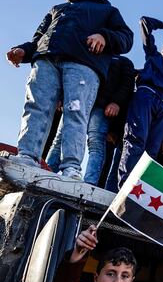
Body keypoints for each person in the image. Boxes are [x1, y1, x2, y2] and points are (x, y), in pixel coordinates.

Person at [6, 0, 133, 180]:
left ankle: (71, 168)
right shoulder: (57, 9)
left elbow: (126, 37)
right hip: (46, 59)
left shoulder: (107, 10)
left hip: (83, 64)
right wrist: (23, 50)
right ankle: (27, 156)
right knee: (36, 106)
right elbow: (38, 38)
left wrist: (104, 36)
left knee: (76, 113)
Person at [46, 55, 135, 185]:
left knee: (96, 143)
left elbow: (127, 84)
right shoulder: (93, 53)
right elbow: (74, 74)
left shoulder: (124, 62)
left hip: (101, 106)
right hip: (78, 99)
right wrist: (62, 95)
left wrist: (116, 102)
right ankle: (48, 171)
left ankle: (90, 183)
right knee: (60, 138)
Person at [118, 16, 163, 187]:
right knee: (135, 140)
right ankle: (125, 186)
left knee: (151, 152)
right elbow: (144, 23)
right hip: (147, 96)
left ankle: (140, 190)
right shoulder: (154, 57)